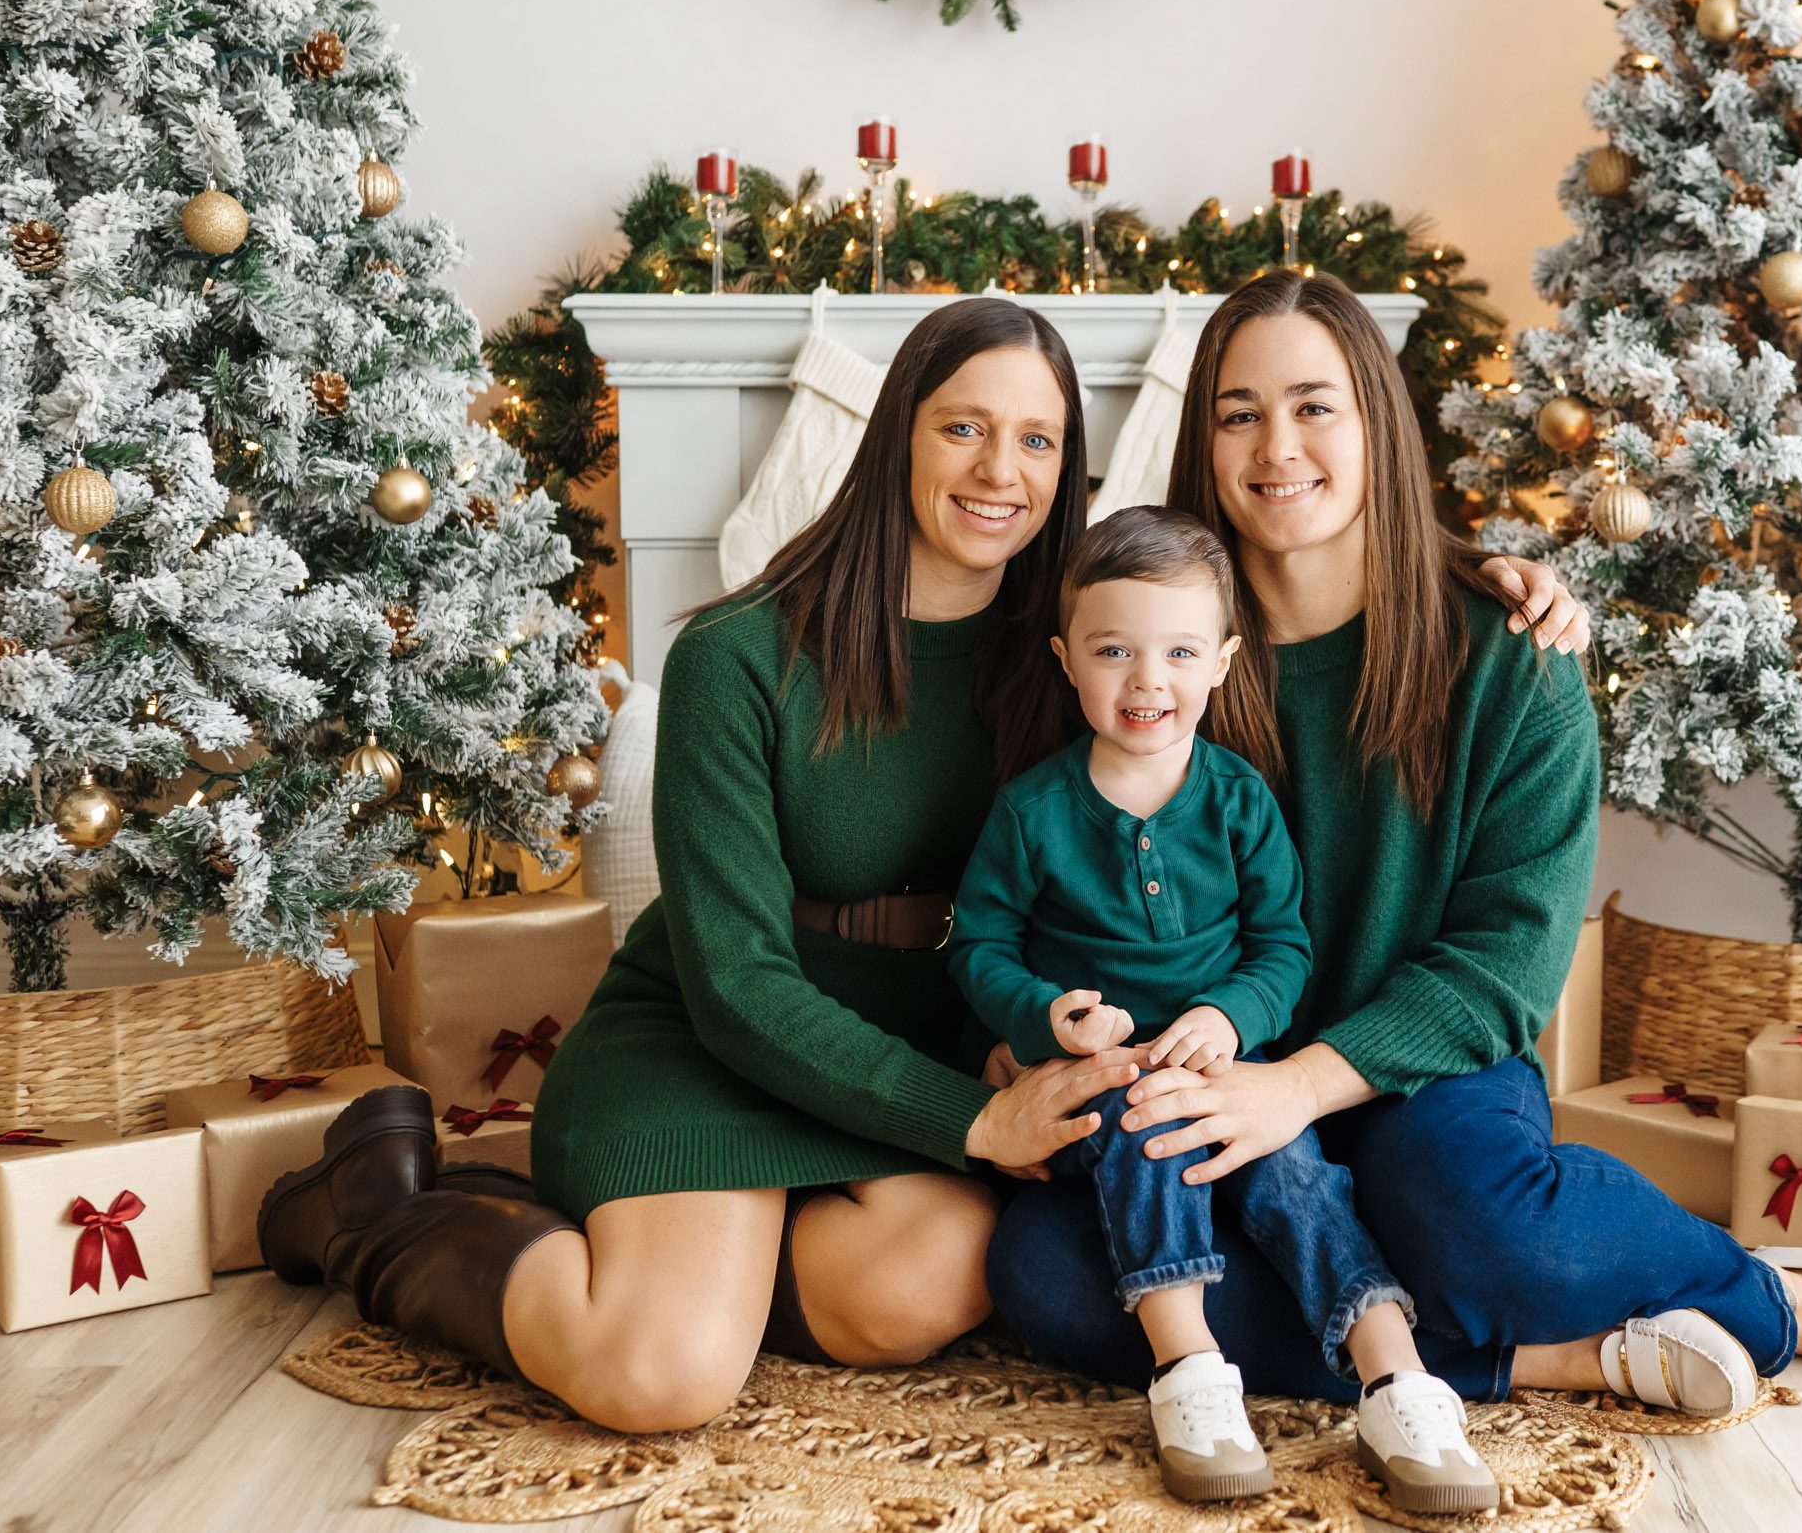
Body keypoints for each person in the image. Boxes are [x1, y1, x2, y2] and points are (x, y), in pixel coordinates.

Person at [254, 288, 1586, 1435]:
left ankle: (705, 1248)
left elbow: (1228, 622)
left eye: (1037, 439)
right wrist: (972, 1118)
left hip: (936, 1043)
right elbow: (732, 980)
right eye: (963, 424)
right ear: (899, 434)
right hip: (718, 1039)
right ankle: (383, 1213)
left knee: (926, 1293)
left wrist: (1489, 573)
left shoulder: (1070, 656)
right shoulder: (740, 655)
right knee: (659, 1372)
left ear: (1069, 473)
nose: (997, 466)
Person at [985, 270, 1802, 1418]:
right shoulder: (1142, 653)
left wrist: (1294, 1087)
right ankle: (1546, 1362)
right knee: (1045, 1278)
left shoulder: (1510, 653)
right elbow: (1019, 897)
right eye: (1239, 412)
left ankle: (1773, 1293)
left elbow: (1510, 960)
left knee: (1485, 1230)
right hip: (1194, 1080)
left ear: (1378, 421)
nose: (1276, 445)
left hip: (1423, 1078)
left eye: (1313, 404)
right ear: (1205, 440)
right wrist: (1022, 1034)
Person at [949, 506, 1494, 1513]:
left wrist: (1232, 1017)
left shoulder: (1239, 799)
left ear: (1223, 661)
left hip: (1221, 1072)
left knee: (1296, 1172)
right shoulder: (1034, 808)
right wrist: (1047, 1015)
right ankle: (1189, 1369)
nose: (1146, 679)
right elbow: (978, 944)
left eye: (1177, 652)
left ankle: (1395, 1378)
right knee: (1146, 1128)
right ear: (1068, 660)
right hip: (1096, 1077)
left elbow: (1283, 945)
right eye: (1114, 650)